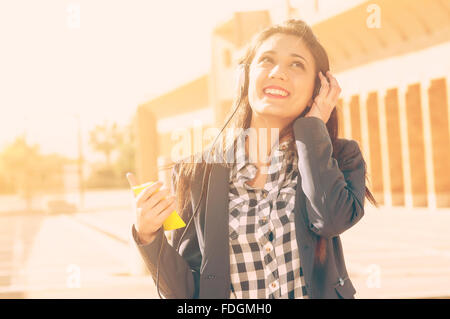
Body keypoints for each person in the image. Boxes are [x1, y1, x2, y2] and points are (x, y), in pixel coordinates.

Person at [127, 19, 378, 299]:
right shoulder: (197, 173)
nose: (278, 72)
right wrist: (149, 235)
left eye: (296, 64)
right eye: (267, 60)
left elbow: (330, 220)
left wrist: (313, 126)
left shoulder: (339, 157)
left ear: (316, 90)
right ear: (246, 78)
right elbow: (187, 292)